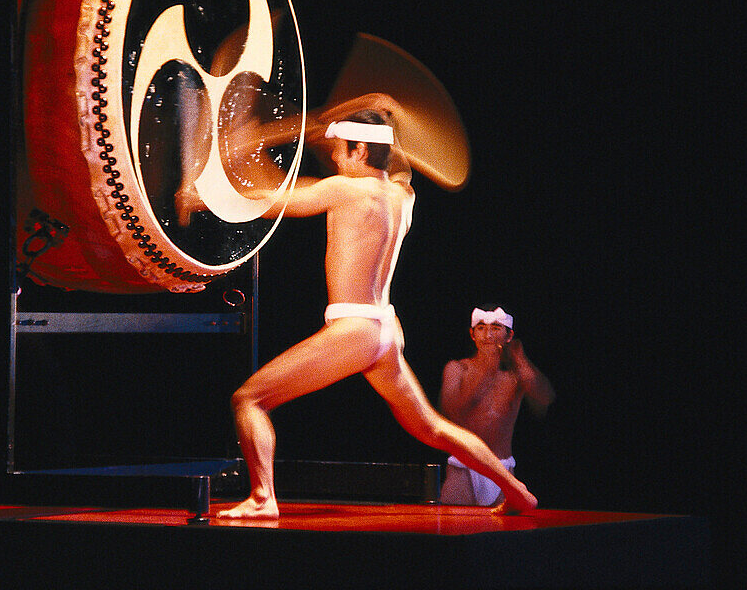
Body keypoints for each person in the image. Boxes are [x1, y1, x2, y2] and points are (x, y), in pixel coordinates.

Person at [215, 110, 539, 519]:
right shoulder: (403, 196)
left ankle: (263, 497)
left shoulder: (346, 190)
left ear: (362, 149)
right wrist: (378, 115)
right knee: (432, 428)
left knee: (249, 400)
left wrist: (221, 168)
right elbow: (396, 163)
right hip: (385, 327)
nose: (335, 160)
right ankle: (518, 492)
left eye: (340, 151)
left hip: (355, 329)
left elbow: (264, 203)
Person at [437, 306, 555, 506]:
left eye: (496, 328)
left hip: (502, 469)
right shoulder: (458, 368)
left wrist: (522, 362)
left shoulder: (515, 376)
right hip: (463, 467)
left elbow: (545, 399)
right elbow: (450, 410)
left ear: (509, 336)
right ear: (472, 334)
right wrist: (485, 371)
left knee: (504, 533)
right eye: (481, 328)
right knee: (452, 530)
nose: (488, 335)